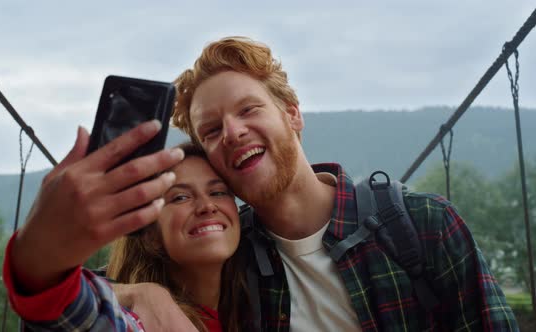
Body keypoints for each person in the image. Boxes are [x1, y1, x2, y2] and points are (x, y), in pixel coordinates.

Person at [122, 36, 518, 331]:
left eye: (248, 109)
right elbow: (89, 286)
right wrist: (139, 294)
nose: (232, 132)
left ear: (293, 114)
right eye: (210, 130)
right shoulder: (230, 254)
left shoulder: (423, 225)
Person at [2, 121, 250, 331]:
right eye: (180, 197)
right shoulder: (141, 320)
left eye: (218, 192)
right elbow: (71, 308)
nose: (207, 206)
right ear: (151, 235)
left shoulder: (263, 294)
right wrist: (38, 257)